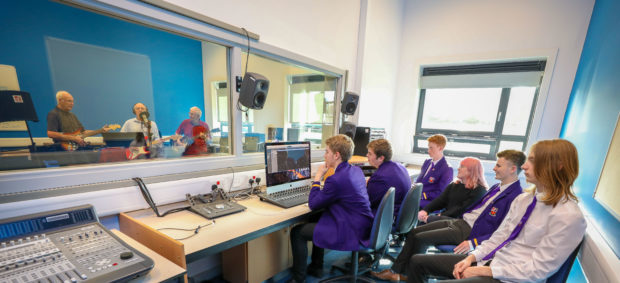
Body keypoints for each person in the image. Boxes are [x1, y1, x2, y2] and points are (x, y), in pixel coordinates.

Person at [406, 139, 586, 283]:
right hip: (493, 261)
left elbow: (537, 270)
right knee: (417, 262)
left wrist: (485, 270)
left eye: (532, 160)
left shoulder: (568, 216)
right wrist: (472, 258)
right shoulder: (524, 199)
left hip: (513, 277)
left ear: (558, 166)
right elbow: (500, 236)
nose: (524, 166)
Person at [371, 150, 525, 282]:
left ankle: (401, 273)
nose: (494, 168)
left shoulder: (515, 196)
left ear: (512, 169)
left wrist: (474, 242)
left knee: (420, 238)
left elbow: (504, 231)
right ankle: (400, 272)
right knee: (414, 232)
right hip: (461, 222)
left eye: (498, 165)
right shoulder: (497, 187)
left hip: (469, 231)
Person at [289, 134, 373, 283]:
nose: (324, 155)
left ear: (336, 155)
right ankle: (316, 267)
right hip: (362, 224)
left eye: (327, 152)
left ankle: (298, 279)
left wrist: (317, 178)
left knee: (297, 233)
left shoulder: (336, 179)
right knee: (316, 217)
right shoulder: (355, 171)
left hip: (351, 230)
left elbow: (313, 204)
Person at [418, 157, 488, 224]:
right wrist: (425, 210)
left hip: (458, 223)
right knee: (418, 226)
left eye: (462, 166)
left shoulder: (479, 190)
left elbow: (461, 209)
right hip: (444, 219)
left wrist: (438, 216)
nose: (458, 169)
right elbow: (441, 200)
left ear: (471, 171)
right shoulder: (455, 184)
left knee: (419, 232)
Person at [47, 90, 111, 148]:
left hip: (76, 147)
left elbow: (83, 132)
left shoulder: (72, 116)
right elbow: (51, 133)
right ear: (60, 100)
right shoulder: (54, 114)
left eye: (72, 101)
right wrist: (74, 138)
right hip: (63, 149)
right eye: (69, 101)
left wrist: (101, 130)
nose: (72, 103)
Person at [366, 139, 411, 218]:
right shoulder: (401, 167)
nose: (367, 155)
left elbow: (367, 203)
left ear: (381, 158)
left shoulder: (379, 177)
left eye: (370, 153)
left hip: (385, 218)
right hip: (400, 214)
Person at [416, 134, 453, 209]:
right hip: (419, 196)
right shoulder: (427, 162)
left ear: (440, 148)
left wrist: (422, 195)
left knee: (408, 204)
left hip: (431, 200)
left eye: (431, 148)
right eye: (428, 147)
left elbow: (441, 193)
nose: (428, 151)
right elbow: (419, 181)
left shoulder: (447, 168)